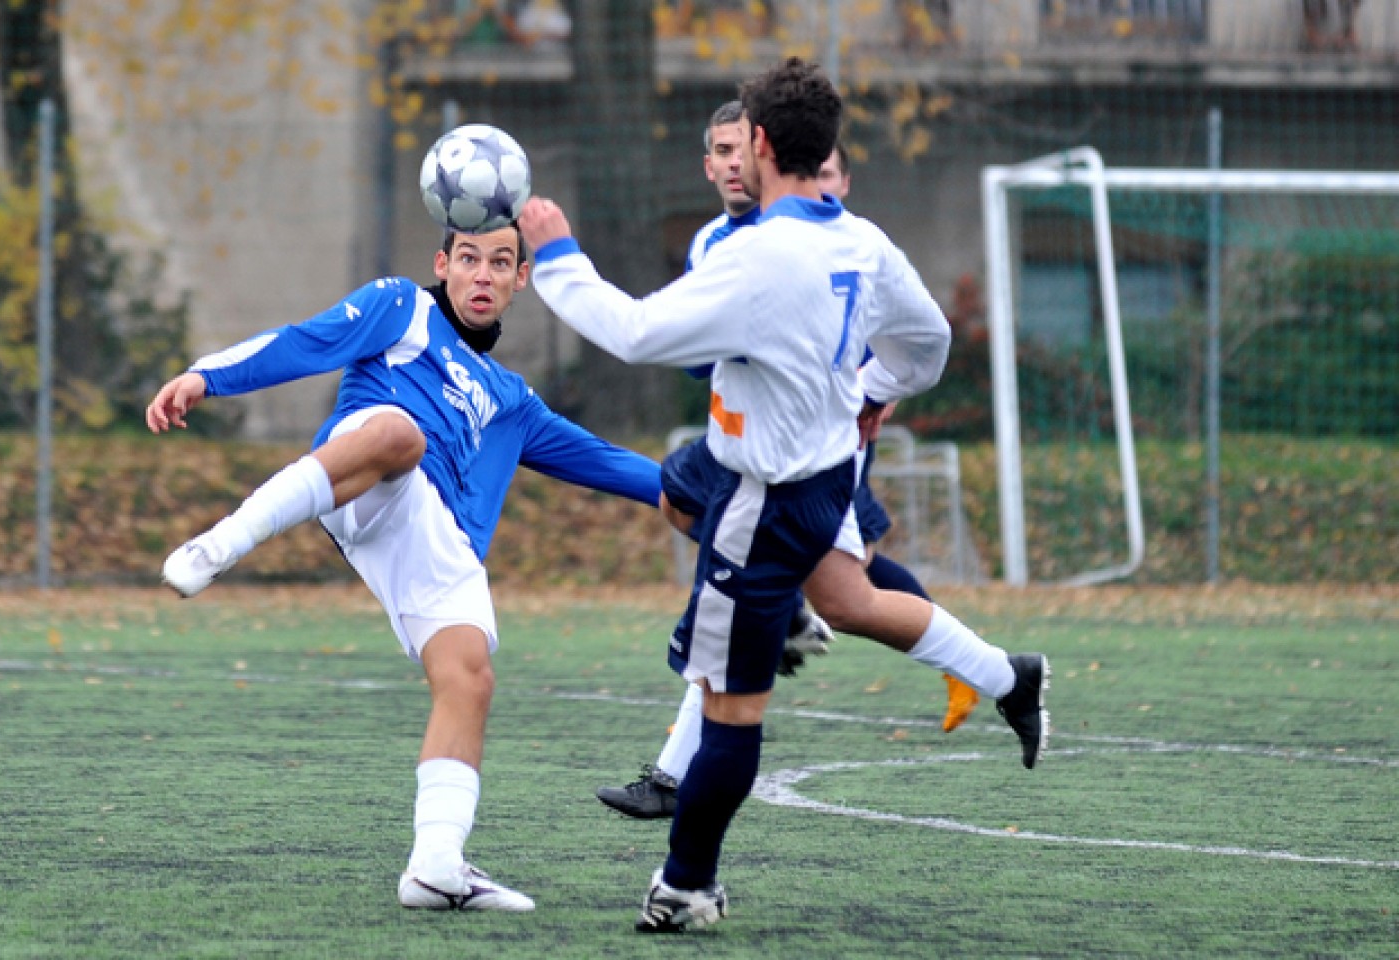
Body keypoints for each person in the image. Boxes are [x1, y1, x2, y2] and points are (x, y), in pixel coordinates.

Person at [519, 58, 1049, 933]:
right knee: (808, 572)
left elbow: (637, 334)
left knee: (731, 706)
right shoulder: (863, 241)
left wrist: (558, 255)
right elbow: (930, 343)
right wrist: (874, 390)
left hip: (762, 500)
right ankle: (1002, 674)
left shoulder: (760, 256)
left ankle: (687, 886)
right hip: (819, 474)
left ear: (761, 145)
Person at [145, 223, 664, 913]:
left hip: (433, 532)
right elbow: (304, 340)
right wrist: (206, 375)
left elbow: (603, 460)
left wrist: (694, 490)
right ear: (443, 265)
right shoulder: (401, 306)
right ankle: (225, 541)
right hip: (366, 475)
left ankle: (436, 866)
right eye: (470, 259)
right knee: (398, 434)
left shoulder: (513, 399)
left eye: (501, 263)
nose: (483, 275)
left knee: (469, 677)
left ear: (520, 280)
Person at [594, 108, 979, 822]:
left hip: (817, 449)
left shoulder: (833, 242)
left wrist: (877, 391)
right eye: (720, 151)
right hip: (749, 445)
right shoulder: (716, 241)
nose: (734, 162)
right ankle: (982, 668)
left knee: (795, 582)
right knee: (813, 580)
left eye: (743, 148)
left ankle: (680, 796)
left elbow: (890, 336)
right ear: (708, 165)